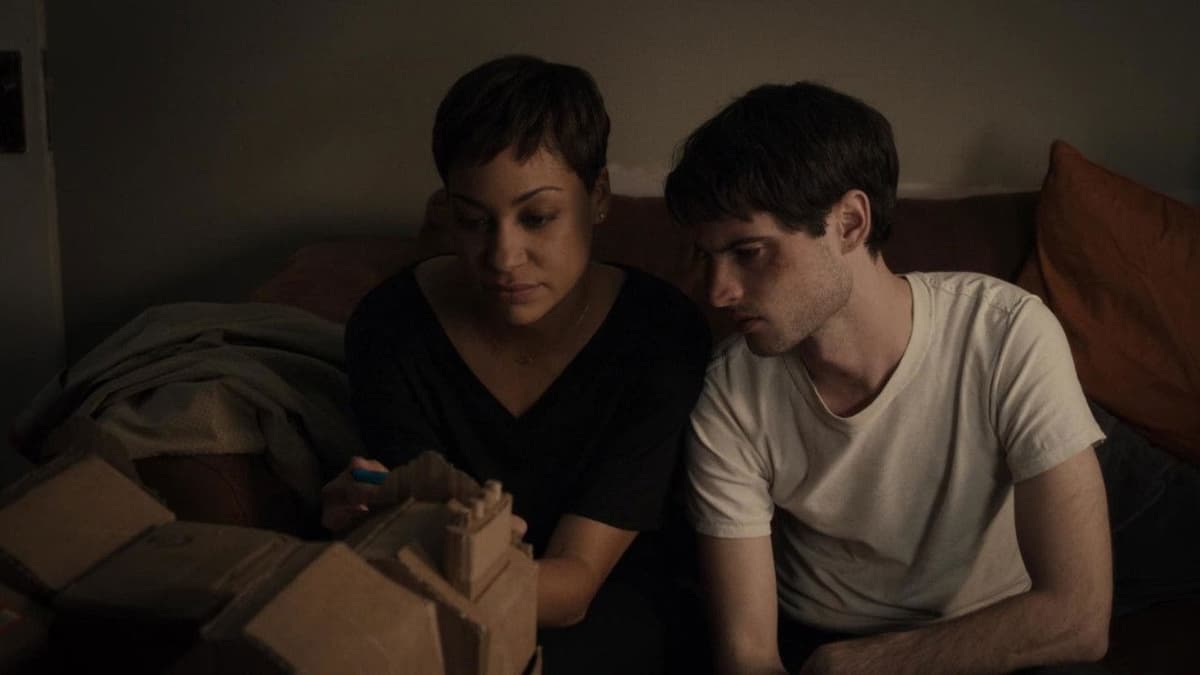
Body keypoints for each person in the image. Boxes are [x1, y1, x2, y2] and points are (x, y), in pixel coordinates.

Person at [664, 82, 1112, 674]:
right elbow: (748, 655)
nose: (718, 292)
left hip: (992, 634)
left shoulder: (1005, 331)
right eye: (707, 256)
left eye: (748, 252)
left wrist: (860, 666)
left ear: (849, 222)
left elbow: (1078, 617)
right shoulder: (729, 391)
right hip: (815, 631)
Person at [320, 55, 710, 673]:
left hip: (610, 606)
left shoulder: (659, 333)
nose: (503, 256)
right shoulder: (391, 325)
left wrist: (386, 562)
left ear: (598, 197)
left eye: (538, 218)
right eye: (473, 221)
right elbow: (420, 531)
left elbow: (574, 588)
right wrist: (369, 527)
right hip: (448, 599)